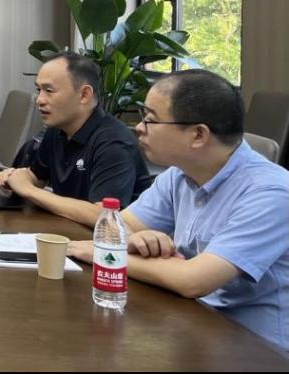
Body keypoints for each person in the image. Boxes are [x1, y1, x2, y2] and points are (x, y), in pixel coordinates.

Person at [67, 69, 289, 352]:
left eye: (150, 119)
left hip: (255, 350)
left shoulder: (272, 193)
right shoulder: (180, 174)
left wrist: (102, 255)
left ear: (198, 135)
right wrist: (133, 239)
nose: (139, 127)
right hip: (194, 326)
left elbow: (193, 280)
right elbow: (115, 227)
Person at [0, 52, 152, 225]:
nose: (39, 100)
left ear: (84, 95)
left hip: (109, 239)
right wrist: (15, 176)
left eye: (49, 91)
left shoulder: (114, 142)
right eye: (39, 90)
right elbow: (36, 176)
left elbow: (104, 216)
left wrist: (29, 191)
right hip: (68, 229)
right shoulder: (57, 129)